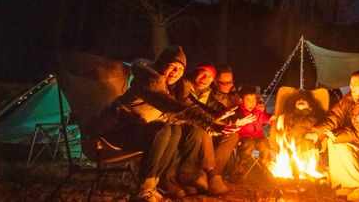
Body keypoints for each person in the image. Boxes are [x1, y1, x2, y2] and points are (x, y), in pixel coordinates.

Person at [93, 46, 225, 201]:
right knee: (162, 130)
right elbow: (173, 108)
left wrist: (215, 122)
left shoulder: (167, 87)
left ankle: (156, 182)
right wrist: (209, 124)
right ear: (162, 64)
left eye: (180, 69)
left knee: (174, 130)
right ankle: (144, 188)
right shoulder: (148, 80)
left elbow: (177, 113)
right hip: (113, 131)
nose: (176, 72)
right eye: (172, 66)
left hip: (135, 129)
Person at [305, 70, 359, 201]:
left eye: (356, 83)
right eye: (351, 83)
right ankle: (341, 185)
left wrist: (336, 136)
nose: (351, 86)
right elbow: (333, 117)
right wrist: (316, 133)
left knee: (341, 145)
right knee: (333, 142)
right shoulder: (348, 100)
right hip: (355, 138)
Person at [170, 63, 253, 195]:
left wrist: (233, 120)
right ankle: (209, 175)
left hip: (208, 126)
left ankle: (208, 176)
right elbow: (194, 108)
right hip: (186, 126)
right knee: (202, 129)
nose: (227, 85)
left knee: (233, 135)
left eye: (230, 82)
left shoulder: (209, 91)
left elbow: (215, 108)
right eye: (202, 73)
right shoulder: (186, 86)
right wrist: (215, 123)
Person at [234, 86, 276, 173]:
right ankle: (243, 165)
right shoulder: (238, 112)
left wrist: (270, 118)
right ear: (241, 101)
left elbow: (263, 118)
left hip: (258, 136)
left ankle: (265, 164)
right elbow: (234, 123)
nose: (252, 103)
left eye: (254, 101)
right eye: (249, 101)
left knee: (264, 144)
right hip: (244, 137)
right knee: (249, 144)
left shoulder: (257, 110)